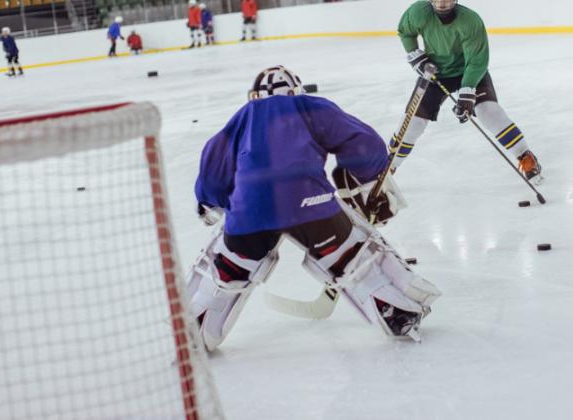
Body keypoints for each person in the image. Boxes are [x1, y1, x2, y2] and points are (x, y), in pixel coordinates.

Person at [186, 65, 440, 351]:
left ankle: (196, 328)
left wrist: (210, 200)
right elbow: (361, 142)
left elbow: (214, 160)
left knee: (231, 268)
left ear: (254, 96)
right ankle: (396, 312)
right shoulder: (308, 105)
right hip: (310, 203)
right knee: (352, 262)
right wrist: (366, 179)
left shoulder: (244, 116)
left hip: (252, 209)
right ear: (296, 88)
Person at [389, 0, 542, 182]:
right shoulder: (418, 12)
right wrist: (416, 56)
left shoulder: (470, 20)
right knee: (413, 121)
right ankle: (389, 165)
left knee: (488, 111)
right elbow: (405, 32)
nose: (442, 3)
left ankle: (526, 156)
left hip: (468, 71)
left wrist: (468, 91)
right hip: (435, 73)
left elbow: (477, 60)